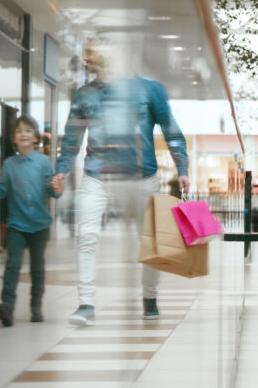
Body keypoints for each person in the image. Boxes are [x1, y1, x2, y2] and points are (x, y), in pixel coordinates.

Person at [55, 40, 189, 326]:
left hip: (143, 178)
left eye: (92, 50)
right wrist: (61, 169)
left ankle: (149, 296)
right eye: (86, 51)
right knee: (86, 236)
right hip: (97, 177)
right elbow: (71, 138)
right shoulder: (84, 95)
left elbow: (171, 131)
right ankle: (86, 304)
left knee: (149, 241)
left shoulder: (151, 89)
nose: (86, 56)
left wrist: (183, 167)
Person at [0, 116, 64, 326]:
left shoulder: (44, 162)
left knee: (37, 267)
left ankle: (36, 306)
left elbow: (51, 192)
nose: (23, 134)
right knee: (12, 265)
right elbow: (3, 190)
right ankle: (7, 306)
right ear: (13, 139)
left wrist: (57, 189)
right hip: (17, 224)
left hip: (39, 225)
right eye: (19, 132)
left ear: (35, 137)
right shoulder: (9, 165)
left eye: (28, 130)